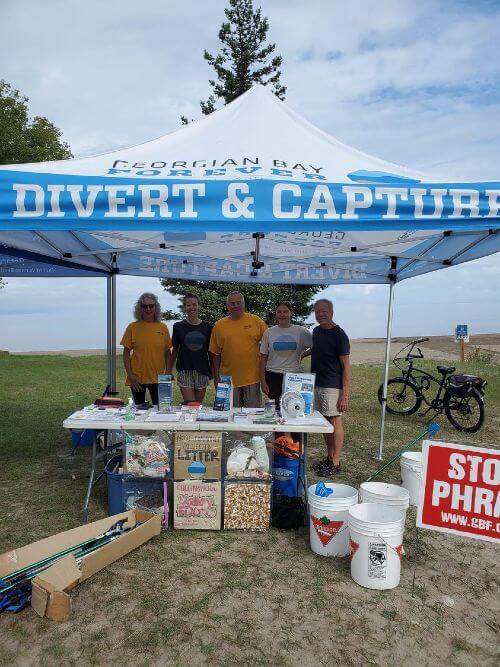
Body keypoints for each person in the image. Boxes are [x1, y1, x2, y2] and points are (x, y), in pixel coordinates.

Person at [310, 298, 351, 476]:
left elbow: (346, 366)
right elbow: (317, 349)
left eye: (324, 311)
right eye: (317, 312)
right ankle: (329, 457)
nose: (320, 314)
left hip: (332, 386)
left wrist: (345, 394)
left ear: (331, 312)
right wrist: (302, 354)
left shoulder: (339, 334)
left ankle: (335, 461)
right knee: (325, 423)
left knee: (334, 421)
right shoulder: (316, 331)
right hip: (317, 383)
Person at [209, 291, 267, 408]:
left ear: (244, 304)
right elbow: (215, 354)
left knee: (252, 414)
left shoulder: (256, 321)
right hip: (228, 380)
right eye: (232, 303)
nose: (235, 306)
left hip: (252, 378)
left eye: (238, 303)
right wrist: (216, 378)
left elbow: (269, 344)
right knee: (231, 414)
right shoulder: (219, 325)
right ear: (227, 306)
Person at [121, 293, 172, 406]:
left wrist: (167, 374)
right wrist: (130, 375)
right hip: (137, 378)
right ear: (139, 308)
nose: (148, 309)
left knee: (162, 410)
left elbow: (168, 352)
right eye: (144, 306)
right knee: (139, 411)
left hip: (159, 379)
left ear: (156, 307)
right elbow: (126, 354)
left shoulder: (162, 327)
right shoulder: (132, 327)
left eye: (151, 306)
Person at [260, 302, 312, 409]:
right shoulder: (268, 332)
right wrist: (263, 381)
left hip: (294, 377)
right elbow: (263, 357)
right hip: (273, 376)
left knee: (294, 410)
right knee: (276, 411)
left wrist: (302, 355)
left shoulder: (301, 331)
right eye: (279, 312)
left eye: (285, 312)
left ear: (291, 313)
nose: (282, 314)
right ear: (276, 314)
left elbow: (315, 347)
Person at [167, 293, 212, 403]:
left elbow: (211, 352)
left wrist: (214, 373)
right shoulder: (178, 326)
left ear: (199, 306)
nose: (192, 308)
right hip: (185, 370)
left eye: (194, 305)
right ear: (184, 308)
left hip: (202, 371)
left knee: (197, 405)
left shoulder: (208, 327)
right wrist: (168, 370)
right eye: (188, 305)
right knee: (190, 404)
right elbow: (175, 350)